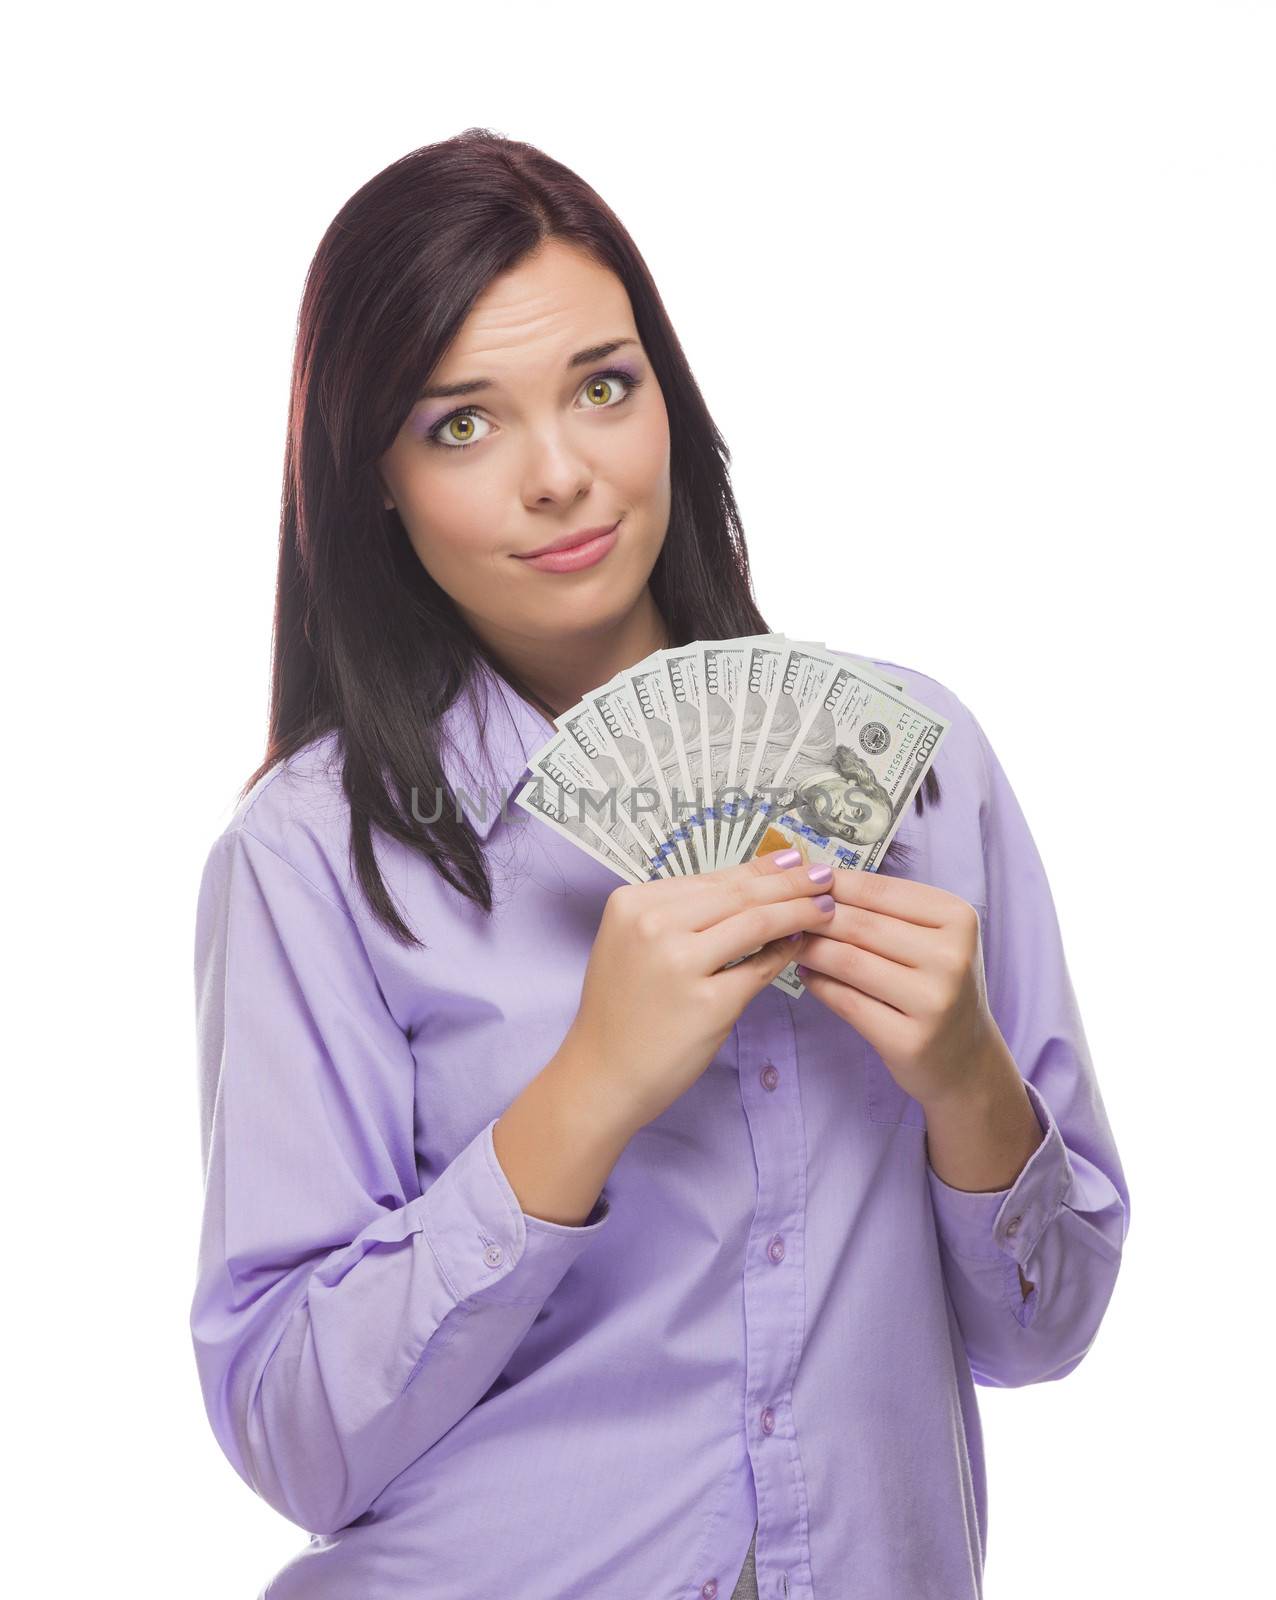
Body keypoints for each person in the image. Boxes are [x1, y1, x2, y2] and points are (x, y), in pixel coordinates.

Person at [189, 129, 1131, 1600]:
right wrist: (588, 1090)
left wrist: (968, 1084)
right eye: (461, 424)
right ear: (369, 477)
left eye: (603, 387)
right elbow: (294, 1438)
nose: (560, 475)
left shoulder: (921, 769)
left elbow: (1042, 1333)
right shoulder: (311, 857)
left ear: (669, 406)